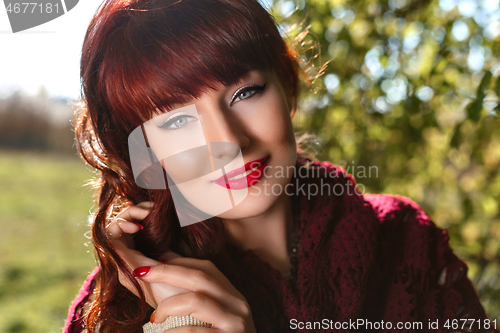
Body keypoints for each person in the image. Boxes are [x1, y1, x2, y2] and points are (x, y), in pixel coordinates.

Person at [64, 0, 499, 332]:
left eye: (244, 93)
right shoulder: (112, 308)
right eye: (177, 120)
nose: (230, 142)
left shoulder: (407, 241)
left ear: (287, 88)